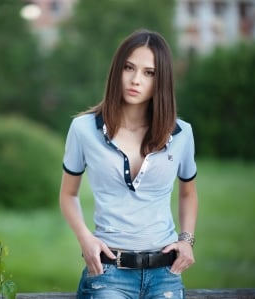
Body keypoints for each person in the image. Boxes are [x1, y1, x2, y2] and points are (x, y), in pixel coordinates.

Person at [59, 29, 198, 299]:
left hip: (165, 273)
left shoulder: (182, 134)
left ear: (162, 80)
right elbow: (68, 194)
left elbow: (188, 193)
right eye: (129, 68)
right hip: (108, 271)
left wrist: (187, 240)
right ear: (117, 70)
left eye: (149, 73)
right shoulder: (84, 129)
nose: (136, 80)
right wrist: (85, 238)